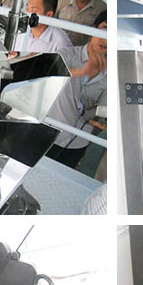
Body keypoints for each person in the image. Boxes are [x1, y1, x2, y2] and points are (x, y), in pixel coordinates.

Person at [46, 11, 106, 169]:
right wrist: (82, 72)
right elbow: (47, 73)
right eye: (104, 30)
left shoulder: (110, 73)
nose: (105, 38)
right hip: (49, 134)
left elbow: (100, 109)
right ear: (93, 29)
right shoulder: (67, 53)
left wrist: (100, 120)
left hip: (77, 143)